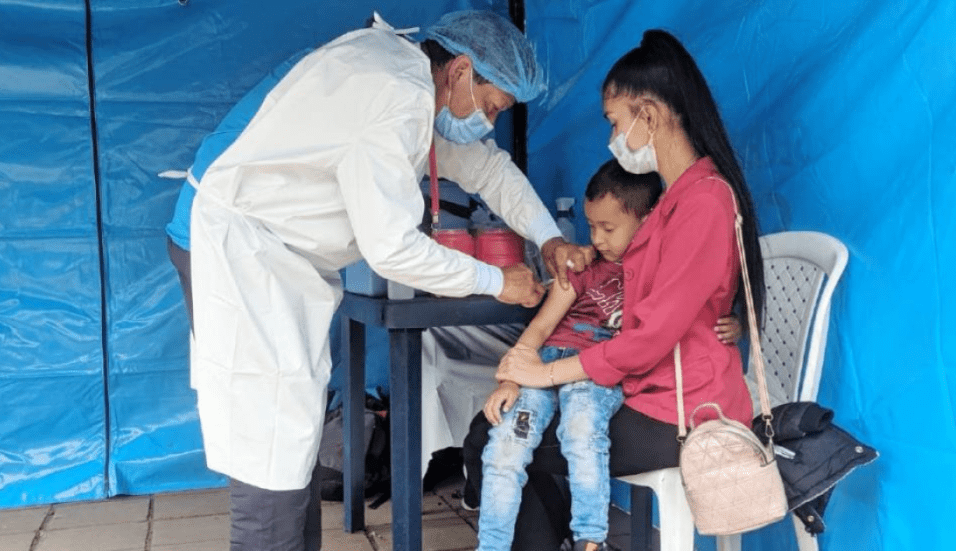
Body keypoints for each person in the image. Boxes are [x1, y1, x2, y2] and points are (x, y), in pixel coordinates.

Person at [185, 11, 591, 551]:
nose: (490, 123)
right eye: (492, 106)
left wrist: (547, 238)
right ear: (462, 70)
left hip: (278, 260)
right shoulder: (395, 96)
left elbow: (489, 171)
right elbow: (393, 248)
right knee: (268, 448)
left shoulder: (418, 88)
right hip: (241, 249)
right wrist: (498, 281)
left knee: (291, 442)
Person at [471, 29, 767, 549]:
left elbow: (648, 340)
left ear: (647, 116)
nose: (612, 137)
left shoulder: (703, 204)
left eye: (614, 122)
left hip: (681, 411)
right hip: (643, 390)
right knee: (509, 429)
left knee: (497, 438)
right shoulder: (673, 200)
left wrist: (544, 372)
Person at [477, 160, 658, 551]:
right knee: (505, 445)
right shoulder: (583, 268)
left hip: (593, 370)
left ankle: (590, 541)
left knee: (580, 432)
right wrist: (512, 375)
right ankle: (490, 546)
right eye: (591, 225)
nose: (597, 238)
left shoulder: (657, 275)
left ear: (647, 222)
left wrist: (735, 324)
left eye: (608, 228)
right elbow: (541, 327)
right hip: (544, 360)